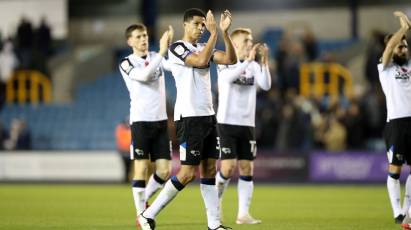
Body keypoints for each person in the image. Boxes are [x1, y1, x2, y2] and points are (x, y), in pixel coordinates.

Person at [138, 8, 237, 230]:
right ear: (185, 25)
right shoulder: (177, 48)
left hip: (208, 117)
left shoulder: (205, 46)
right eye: (197, 24)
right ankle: (148, 214)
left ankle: (214, 224)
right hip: (189, 118)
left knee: (210, 169)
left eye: (204, 25)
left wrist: (224, 33)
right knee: (186, 173)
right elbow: (201, 61)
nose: (201, 28)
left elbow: (230, 58)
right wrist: (213, 34)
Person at [214, 28, 271, 225]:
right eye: (247, 41)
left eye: (251, 40)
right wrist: (247, 61)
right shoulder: (224, 64)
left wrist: (263, 63)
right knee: (228, 168)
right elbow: (229, 79)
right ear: (236, 44)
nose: (250, 43)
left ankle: (243, 214)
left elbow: (266, 85)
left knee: (247, 168)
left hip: (247, 124)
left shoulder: (254, 66)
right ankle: (216, 202)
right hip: (227, 123)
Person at [118, 23, 174, 225]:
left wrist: (178, 49)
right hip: (141, 122)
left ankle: (144, 203)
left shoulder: (155, 57)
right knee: (140, 169)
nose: (143, 39)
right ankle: (142, 215)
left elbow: (172, 66)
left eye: (145, 35)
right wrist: (161, 51)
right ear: (130, 41)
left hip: (160, 122)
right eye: (139, 36)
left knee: (164, 171)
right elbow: (143, 76)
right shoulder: (126, 62)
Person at [375, 11, 411, 227]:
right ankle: (397, 211)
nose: (403, 48)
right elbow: (389, 48)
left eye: (405, 45)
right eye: (400, 45)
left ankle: (407, 210)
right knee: (395, 170)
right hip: (396, 123)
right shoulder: (385, 69)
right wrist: (404, 28)